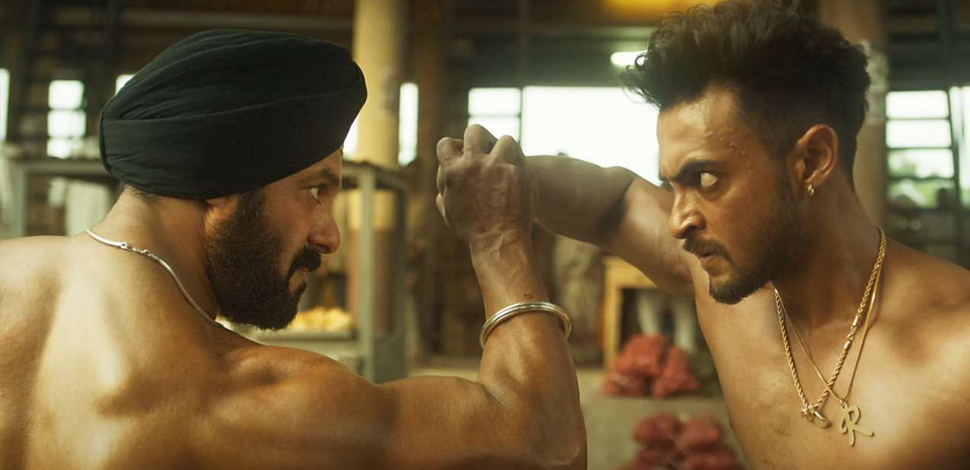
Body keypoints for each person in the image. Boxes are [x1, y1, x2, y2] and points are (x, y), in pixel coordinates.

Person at [0, 30, 585, 469]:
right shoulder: (240, 395)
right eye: (314, 190)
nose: (330, 236)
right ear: (220, 183)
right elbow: (544, 446)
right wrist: (498, 239)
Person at [454, 1, 970, 469]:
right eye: (671, 186)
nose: (678, 221)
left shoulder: (957, 354)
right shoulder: (735, 289)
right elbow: (614, 202)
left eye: (704, 179)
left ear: (812, 160)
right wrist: (495, 178)